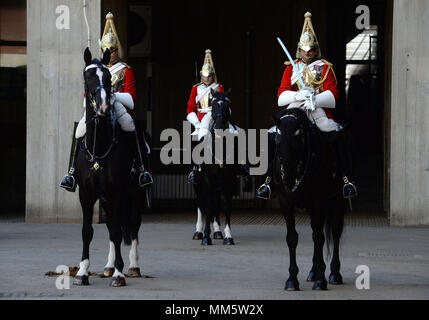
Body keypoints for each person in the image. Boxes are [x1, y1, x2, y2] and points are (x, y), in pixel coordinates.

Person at [257, 12, 357, 200]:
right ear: (299, 50)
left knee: (332, 132)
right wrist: (298, 94)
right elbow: (281, 96)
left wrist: (315, 99)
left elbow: (334, 96)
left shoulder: (325, 67)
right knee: (274, 136)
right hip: (296, 106)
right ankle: (268, 180)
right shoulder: (290, 68)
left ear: (316, 49)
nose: (308, 52)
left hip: (317, 108)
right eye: (304, 49)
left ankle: (345, 179)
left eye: (311, 49)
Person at [60, 12, 153, 192]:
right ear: (102, 51)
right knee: (79, 129)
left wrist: (112, 97)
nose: (111, 54)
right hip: (97, 107)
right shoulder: (97, 70)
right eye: (107, 51)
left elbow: (131, 100)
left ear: (118, 49)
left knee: (130, 127)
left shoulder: (126, 70)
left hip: (117, 106)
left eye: (114, 50)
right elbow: (86, 97)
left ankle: (142, 170)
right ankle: (71, 173)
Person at [186, 49, 226, 184]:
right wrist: (196, 123)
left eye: (209, 76)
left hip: (217, 117)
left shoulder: (219, 87)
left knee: (234, 133)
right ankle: (194, 168)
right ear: (201, 75)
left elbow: (225, 104)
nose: (207, 78)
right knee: (194, 140)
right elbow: (190, 107)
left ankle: (242, 164)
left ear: (213, 75)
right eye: (204, 75)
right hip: (201, 119)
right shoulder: (195, 89)